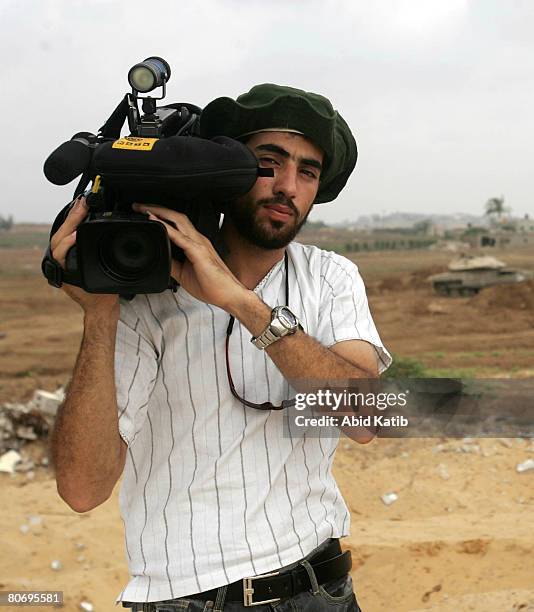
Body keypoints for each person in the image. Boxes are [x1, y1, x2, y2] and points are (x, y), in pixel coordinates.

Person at [49, 84, 392, 611]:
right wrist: (101, 314)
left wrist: (241, 303)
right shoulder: (147, 298)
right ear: (226, 172)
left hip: (317, 587)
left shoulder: (328, 278)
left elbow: (366, 419)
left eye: (307, 171)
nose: (287, 187)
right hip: (184, 598)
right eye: (268, 163)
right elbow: (81, 490)